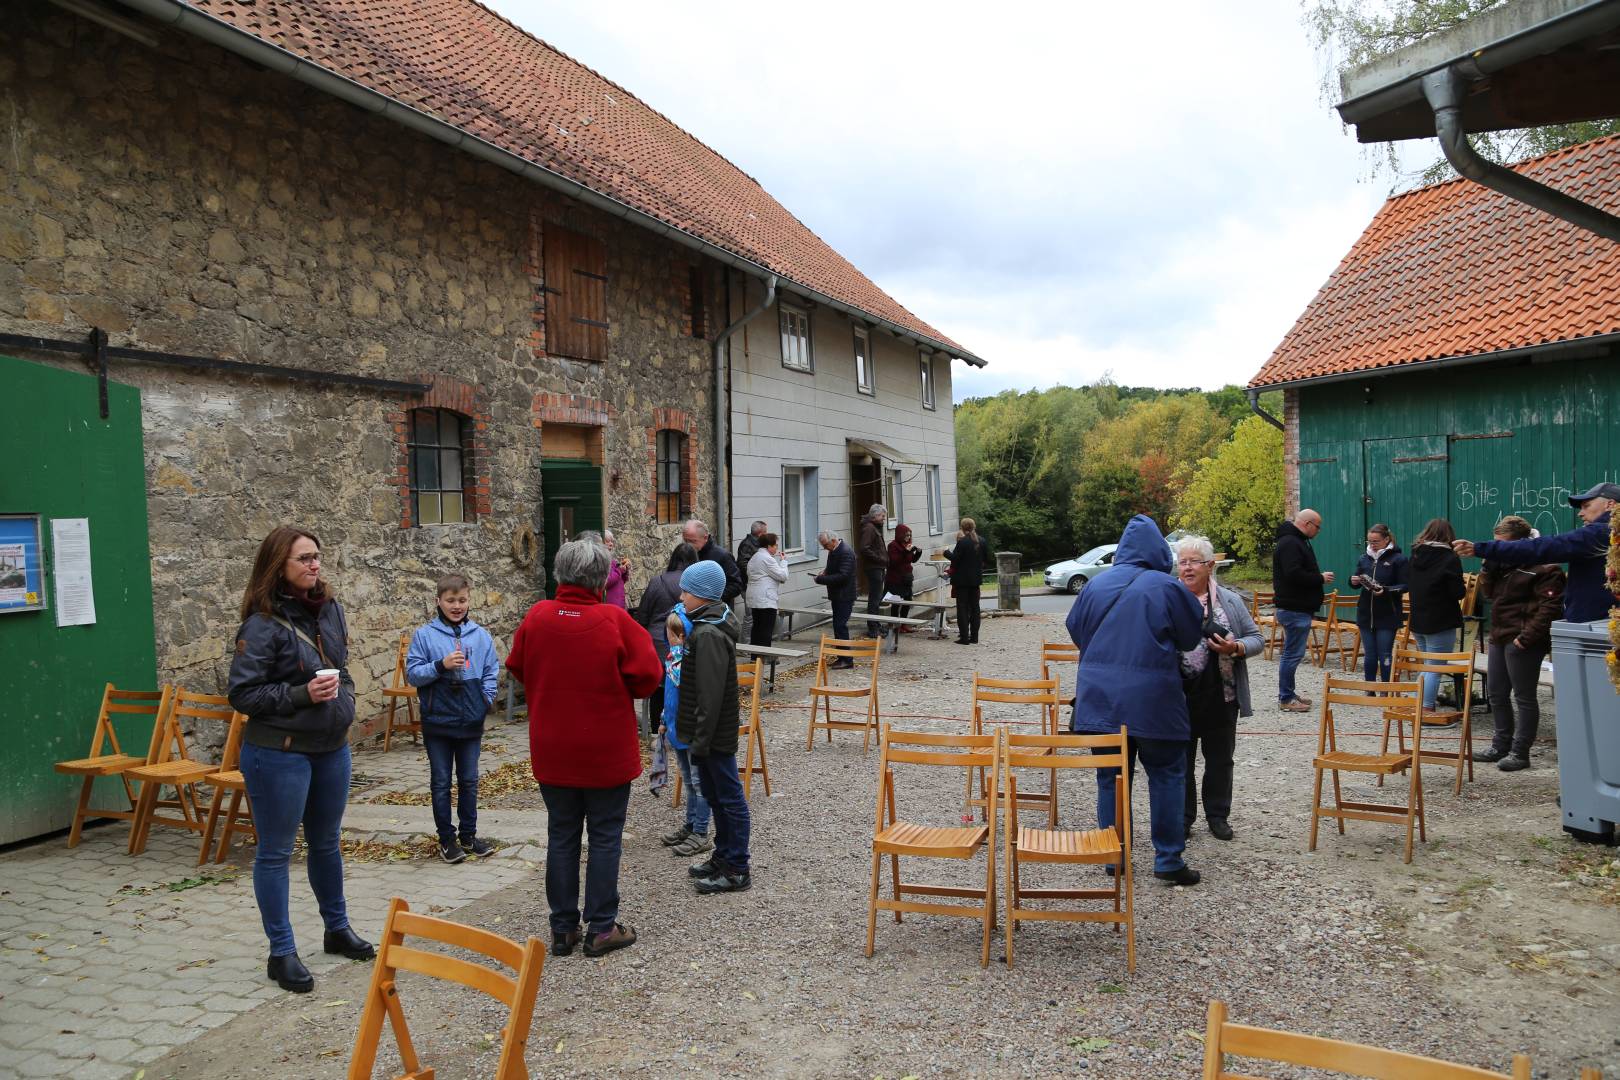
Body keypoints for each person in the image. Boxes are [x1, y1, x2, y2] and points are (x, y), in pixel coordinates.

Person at [227, 526, 374, 993]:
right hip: (279, 754)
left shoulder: (330, 608)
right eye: (303, 559)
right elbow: (243, 694)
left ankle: (337, 929)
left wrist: (344, 696)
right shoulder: (262, 624)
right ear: (279, 567)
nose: (314, 565)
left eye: (316, 556)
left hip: (331, 748)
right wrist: (301, 694)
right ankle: (282, 952)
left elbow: (342, 664)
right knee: (275, 853)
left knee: (327, 843)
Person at [506, 539, 662, 959]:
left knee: (562, 835)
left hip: (553, 747)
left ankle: (562, 929)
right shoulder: (614, 621)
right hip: (605, 750)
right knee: (605, 837)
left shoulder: (537, 617)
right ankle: (601, 928)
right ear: (600, 579)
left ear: (561, 574)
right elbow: (649, 677)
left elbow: (516, 666)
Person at [1068, 514, 1204, 886]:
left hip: (1100, 700)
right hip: (1156, 699)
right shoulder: (1168, 587)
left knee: (1110, 777)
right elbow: (1191, 637)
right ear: (1160, 549)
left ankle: (1113, 853)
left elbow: (1076, 631)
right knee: (1166, 776)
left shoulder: (1094, 587)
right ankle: (1168, 859)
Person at [1174, 536, 1264, 843]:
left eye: (1193, 562)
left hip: (1223, 695)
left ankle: (1217, 815)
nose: (1187, 568)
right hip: (1178, 698)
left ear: (1210, 566)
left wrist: (1235, 646)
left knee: (1221, 759)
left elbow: (1257, 639)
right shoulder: (1167, 598)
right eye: (1182, 561)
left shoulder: (1230, 600)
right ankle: (1183, 817)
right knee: (1180, 760)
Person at [406, 573, 500, 865]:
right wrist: (440, 665)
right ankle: (447, 839)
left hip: (471, 720)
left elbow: (491, 672)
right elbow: (413, 673)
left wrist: (484, 701)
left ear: (469, 600)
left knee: (470, 781)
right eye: (450, 600)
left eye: (461, 600)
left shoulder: (480, 636)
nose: (456, 606)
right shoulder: (425, 636)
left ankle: (469, 836)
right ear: (438, 601)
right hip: (438, 721)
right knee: (441, 782)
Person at [674, 561, 751, 894]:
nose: (681, 595)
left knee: (729, 798)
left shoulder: (707, 634)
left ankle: (737, 867)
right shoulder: (704, 624)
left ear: (702, 596)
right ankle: (722, 855)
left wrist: (700, 740)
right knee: (716, 797)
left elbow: (709, 694)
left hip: (712, 736)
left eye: (686, 591)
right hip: (705, 734)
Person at [1455, 482, 1617, 623]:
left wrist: (1481, 548)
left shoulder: (1601, 532)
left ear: (1609, 505)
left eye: (1586, 506)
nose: (1580, 513)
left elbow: (1544, 547)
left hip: (1594, 622)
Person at [1476, 516, 1565, 772]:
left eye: (1502, 544)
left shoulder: (1546, 568)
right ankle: (1500, 745)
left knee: (1524, 696)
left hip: (1523, 640)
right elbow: (1490, 595)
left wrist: (1526, 638)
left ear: (1519, 543)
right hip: (1500, 634)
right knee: (1496, 692)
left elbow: (1550, 608)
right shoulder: (1503, 564)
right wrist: (1487, 569)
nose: (1497, 548)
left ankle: (1520, 751)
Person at [658, 610, 712, 857]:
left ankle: (701, 831)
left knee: (699, 783)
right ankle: (690, 825)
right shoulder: (673, 659)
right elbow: (670, 695)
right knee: (689, 781)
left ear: (679, 635)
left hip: (689, 729)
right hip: (676, 727)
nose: (665, 637)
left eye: (668, 633)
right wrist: (663, 719)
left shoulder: (684, 661)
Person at [1271, 508, 1335, 712]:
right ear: (1307, 524)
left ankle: (1289, 693)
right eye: (1317, 527)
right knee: (1292, 654)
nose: (1318, 531)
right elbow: (1293, 574)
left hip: (1296, 606)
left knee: (1292, 653)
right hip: (1294, 607)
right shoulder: (1291, 542)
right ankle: (1286, 698)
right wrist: (1319, 578)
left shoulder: (1294, 540)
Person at [635, 543, 700, 733]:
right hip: (686, 639)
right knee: (686, 687)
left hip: (657, 642)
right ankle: (683, 729)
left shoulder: (657, 581)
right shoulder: (695, 585)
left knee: (659, 688)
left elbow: (643, 616)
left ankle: (658, 731)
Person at [1406, 518, 1466, 712]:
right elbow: (1457, 592)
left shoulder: (1415, 554)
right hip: (1440, 619)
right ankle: (1425, 708)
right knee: (1435, 667)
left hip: (1418, 619)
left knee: (1427, 664)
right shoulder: (1449, 558)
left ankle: (1418, 700)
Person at [1349, 523, 1408, 683]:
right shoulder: (1363, 558)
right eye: (1369, 542)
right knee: (1370, 654)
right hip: (1366, 614)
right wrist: (1353, 581)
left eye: (1375, 541)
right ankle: (1370, 688)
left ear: (1386, 539)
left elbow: (1405, 585)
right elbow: (1356, 580)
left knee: (1385, 654)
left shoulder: (1399, 559)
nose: (1372, 545)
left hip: (1388, 615)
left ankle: (1385, 689)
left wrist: (1386, 590)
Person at [813, 530, 857, 665]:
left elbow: (843, 576)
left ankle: (847, 659)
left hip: (844, 595)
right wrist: (825, 571)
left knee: (840, 626)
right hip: (837, 594)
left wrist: (822, 579)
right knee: (837, 626)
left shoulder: (846, 552)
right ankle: (841, 656)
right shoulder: (834, 550)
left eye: (826, 545)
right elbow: (833, 568)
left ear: (833, 541)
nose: (825, 548)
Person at [946, 518, 991, 645]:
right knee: (975, 608)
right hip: (976, 580)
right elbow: (986, 560)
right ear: (974, 526)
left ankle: (964, 638)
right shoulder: (982, 541)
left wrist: (945, 552)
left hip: (962, 581)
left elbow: (955, 559)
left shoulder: (963, 542)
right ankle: (974, 637)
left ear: (962, 528)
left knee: (962, 609)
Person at [682, 519, 744, 605]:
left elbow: (736, 586)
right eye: (686, 540)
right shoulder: (685, 554)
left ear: (705, 538)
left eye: (693, 541)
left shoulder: (723, 556)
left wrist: (710, 598)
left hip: (715, 611)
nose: (688, 545)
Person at [744, 531, 789, 647]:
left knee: (757, 628)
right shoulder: (767, 559)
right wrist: (784, 562)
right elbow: (783, 576)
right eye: (775, 546)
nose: (776, 548)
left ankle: (755, 658)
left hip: (754, 598)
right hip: (766, 600)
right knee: (766, 630)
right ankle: (764, 657)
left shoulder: (754, 557)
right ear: (769, 546)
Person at [857, 503, 889, 638]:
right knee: (874, 599)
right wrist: (880, 559)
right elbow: (864, 548)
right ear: (875, 515)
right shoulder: (869, 528)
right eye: (882, 516)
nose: (884, 518)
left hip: (877, 567)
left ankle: (875, 624)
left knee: (876, 598)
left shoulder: (874, 527)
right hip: (874, 567)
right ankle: (872, 627)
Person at [735, 519, 768, 641]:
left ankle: (755, 642)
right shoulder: (747, 544)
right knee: (750, 616)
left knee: (756, 616)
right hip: (748, 586)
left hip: (756, 585)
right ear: (760, 533)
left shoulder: (758, 544)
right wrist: (756, 574)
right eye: (765, 532)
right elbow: (742, 564)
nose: (767, 534)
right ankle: (745, 644)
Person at [885, 523, 922, 625]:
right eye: (906, 535)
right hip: (895, 580)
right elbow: (894, 561)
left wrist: (918, 552)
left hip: (906, 579)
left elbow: (912, 560)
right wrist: (906, 551)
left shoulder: (907, 545)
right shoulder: (893, 545)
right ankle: (893, 625)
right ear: (900, 535)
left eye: (909, 535)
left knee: (908, 601)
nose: (908, 537)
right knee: (896, 603)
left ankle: (904, 624)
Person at [602, 529, 631, 609]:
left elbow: (621, 580)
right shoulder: (601, 562)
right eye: (607, 541)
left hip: (618, 604)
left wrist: (625, 571)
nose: (611, 544)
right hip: (610, 606)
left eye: (612, 541)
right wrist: (620, 570)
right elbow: (607, 582)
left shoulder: (613, 562)